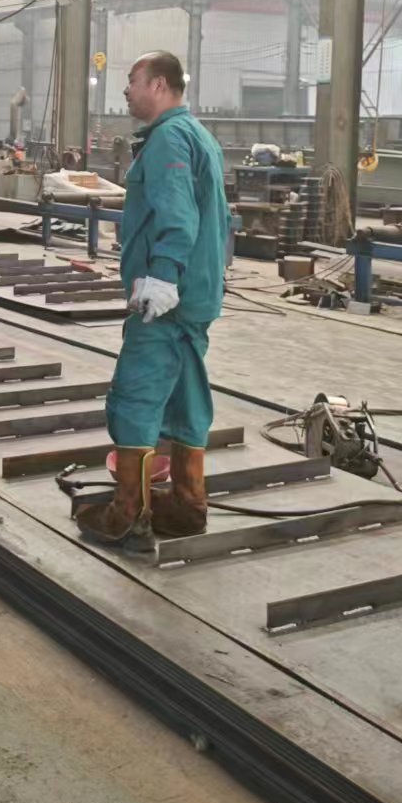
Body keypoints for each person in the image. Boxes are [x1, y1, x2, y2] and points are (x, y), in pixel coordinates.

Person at [75, 50, 231, 551]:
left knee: (135, 396)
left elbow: (178, 217)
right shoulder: (198, 134)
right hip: (197, 296)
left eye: (132, 80)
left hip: (167, 300)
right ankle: (187, 504)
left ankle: (128, 513)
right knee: (187, 398)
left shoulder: (168, 140)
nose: (126, 90)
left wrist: (162, 277)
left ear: (159, 85)